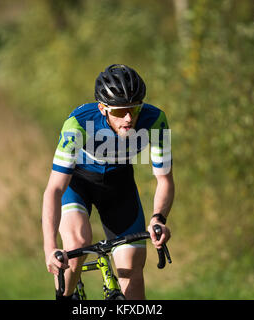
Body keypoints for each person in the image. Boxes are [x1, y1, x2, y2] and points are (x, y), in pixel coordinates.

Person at [42, 64, 175, 300]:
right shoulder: (78, 123)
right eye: (119, 111)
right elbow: (54, 189)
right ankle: (67, 295)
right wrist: (50, 247)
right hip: (78, 182)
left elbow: (164, 179)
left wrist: (158, 218)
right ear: (102, 108)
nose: (128, 118)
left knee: (132, 269)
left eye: (134, 109)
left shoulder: (155, 121)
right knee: (76, 244)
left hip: (119, 185)